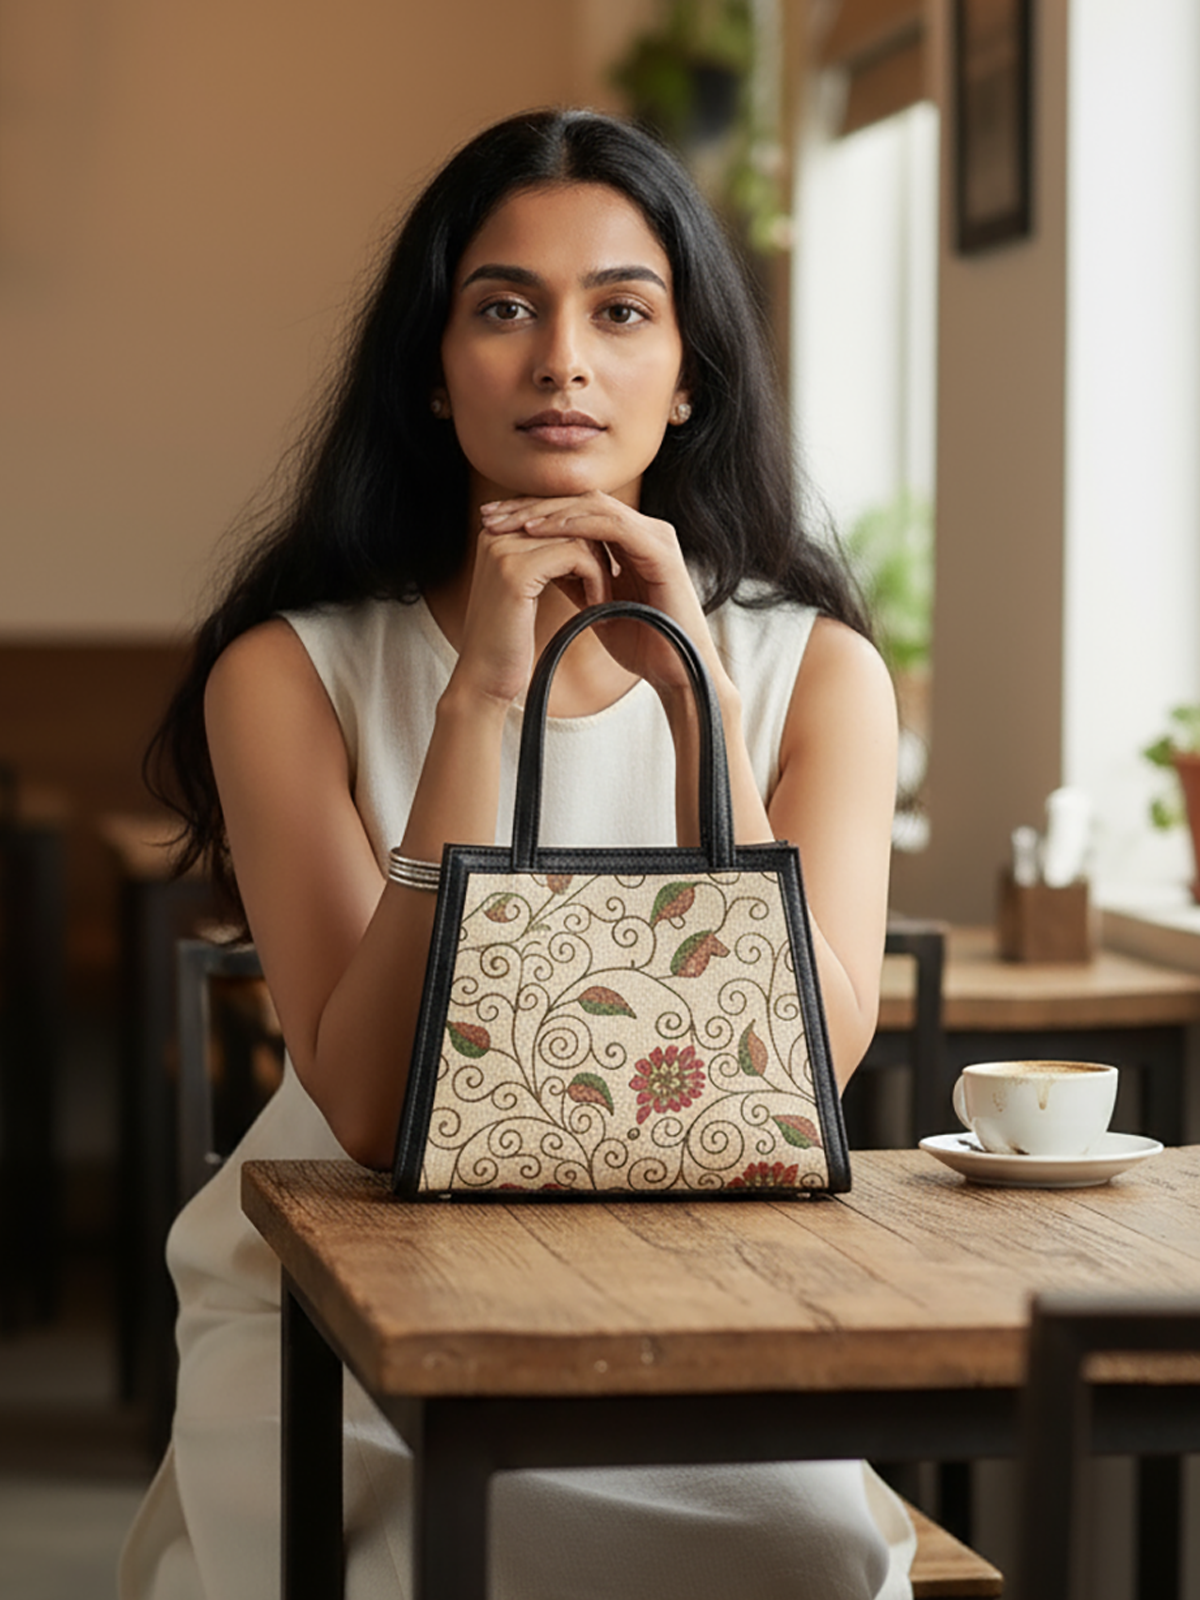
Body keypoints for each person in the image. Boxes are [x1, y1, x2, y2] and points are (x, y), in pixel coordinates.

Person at [120, 108, 905, 1599]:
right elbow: (360, 1104)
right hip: (340, 1299)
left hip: (694, 1283)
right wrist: (481, 693)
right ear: (431, 370)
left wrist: (695, 699)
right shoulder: (289, 670)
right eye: (502, 309)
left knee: (802, 1557)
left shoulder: (817, 676)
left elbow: (807, 1060)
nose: (563, 360)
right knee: (419, 1564)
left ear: (688, 382)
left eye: (622, 310)